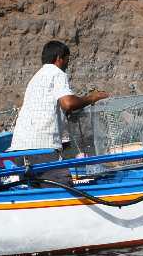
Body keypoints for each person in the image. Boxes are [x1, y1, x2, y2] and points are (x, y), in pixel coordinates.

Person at [9, 40, 108, 184]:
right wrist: (92, 98)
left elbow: (48, 110)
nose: (68, 64)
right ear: (59, 58)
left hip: (20, 147)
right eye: (67, 60)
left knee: (37, 190)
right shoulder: (57, 73)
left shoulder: (36, 78)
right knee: (63, 186)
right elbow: (68, 103)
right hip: (41, 146)